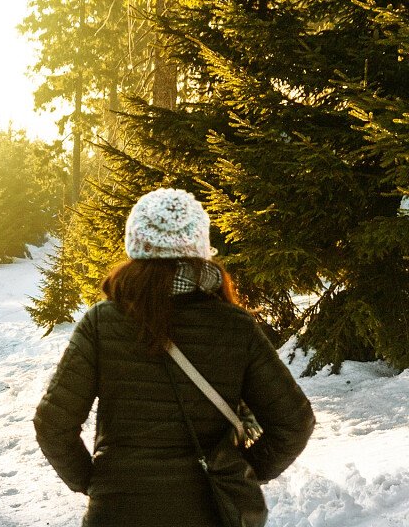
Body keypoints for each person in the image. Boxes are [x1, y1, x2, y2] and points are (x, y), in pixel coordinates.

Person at [34, 188, 315, 526]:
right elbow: (294, 421)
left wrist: (94, 482)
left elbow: (53, 422)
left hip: (117, 513)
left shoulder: (101, 322)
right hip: (209, 513)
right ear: (199, 247)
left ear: (136, 246)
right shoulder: (235, 326)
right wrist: (244, 472)